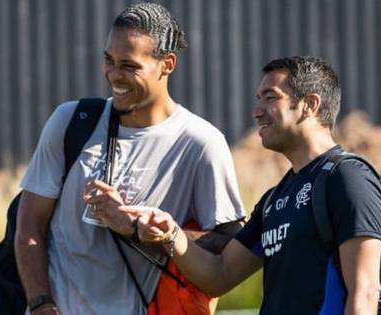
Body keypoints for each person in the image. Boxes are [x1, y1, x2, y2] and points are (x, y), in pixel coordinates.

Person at [14, 2, 245, 315]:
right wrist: (41, 303)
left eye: (129, 66)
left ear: (168, 64)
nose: (114, 75)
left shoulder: (200, 143)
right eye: (108, 60)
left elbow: (228, 243)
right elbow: (29, 225)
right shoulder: (71, 122)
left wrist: (141, 228)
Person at [122, 56, 381, 314]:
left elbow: (365, 292)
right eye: (258, 99)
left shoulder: (348, 178)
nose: (257, 112)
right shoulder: (275, 199)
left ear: (309, 105)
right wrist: (170, 234)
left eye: (270, 97)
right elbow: (219, 275)